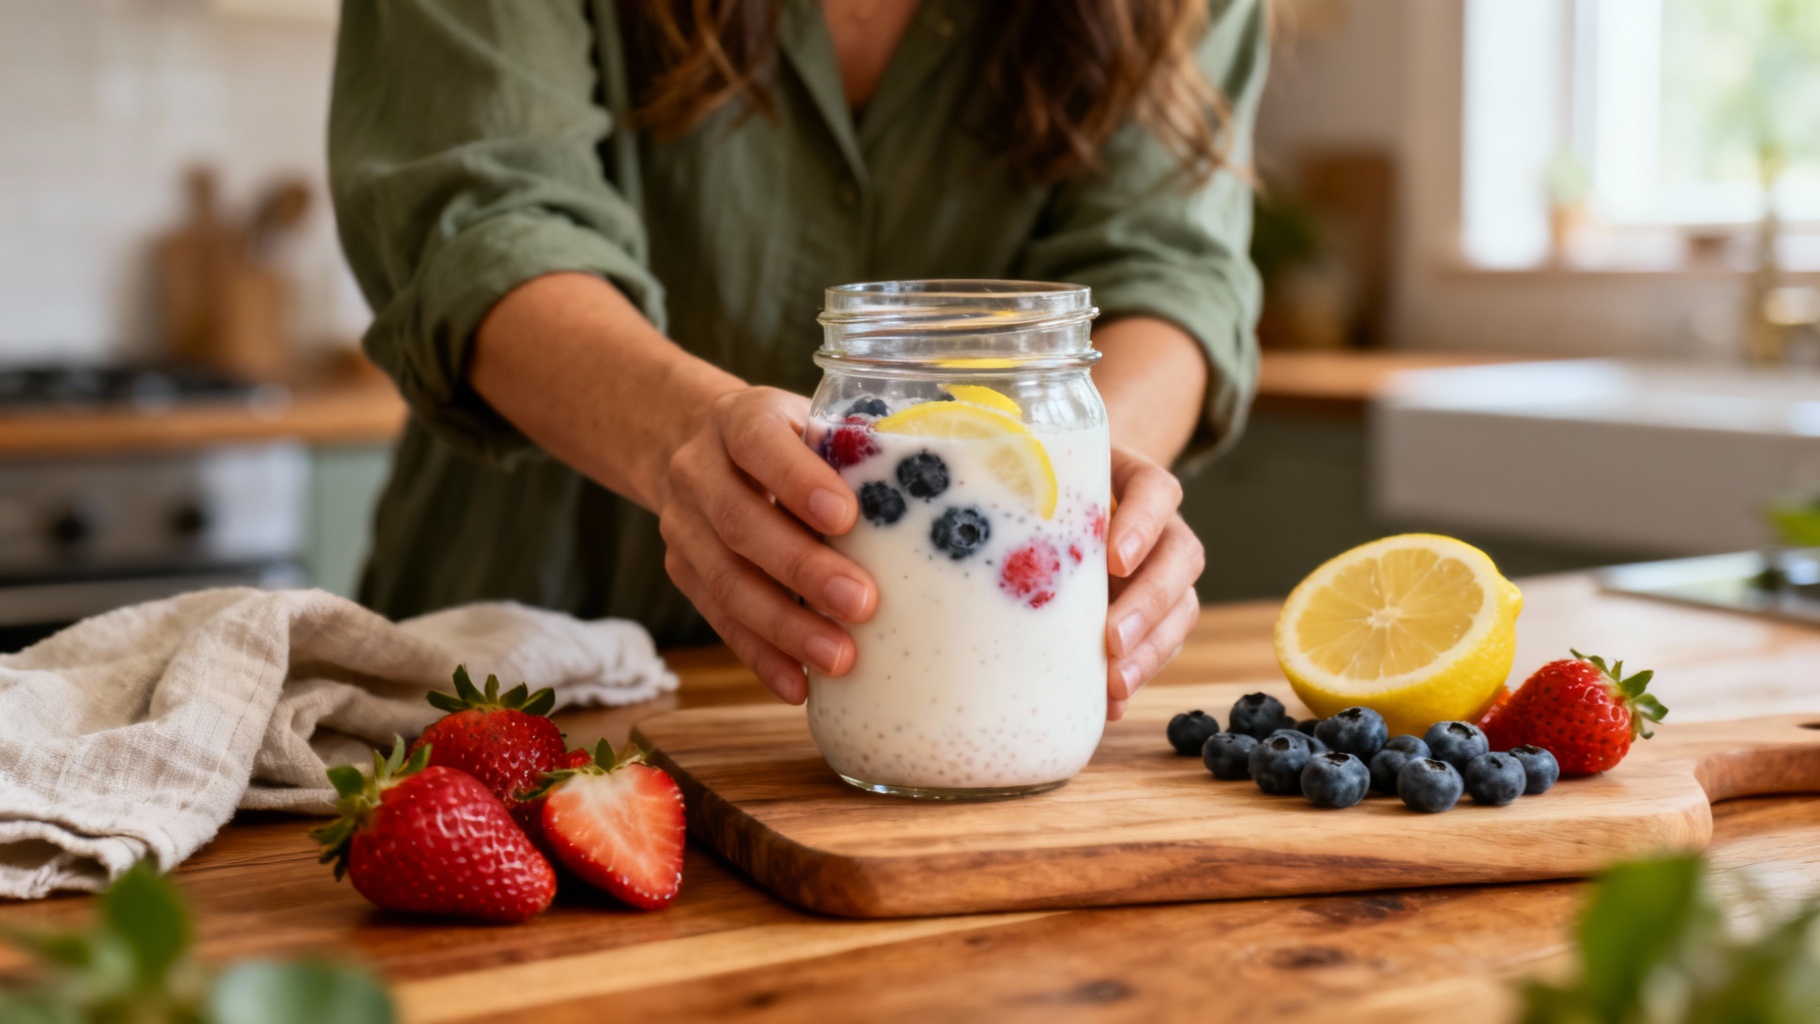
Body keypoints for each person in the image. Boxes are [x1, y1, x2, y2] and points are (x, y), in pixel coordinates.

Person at [328, 0, 1265, 719]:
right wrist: (684, 437)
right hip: (522, 662)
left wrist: (1075, 506)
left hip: (969, 697)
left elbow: (1170, 271)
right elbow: (483, 225)